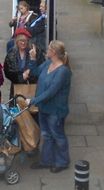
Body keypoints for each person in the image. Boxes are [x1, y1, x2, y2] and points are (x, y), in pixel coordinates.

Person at [24, 41, 72, 173]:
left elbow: (51, 92)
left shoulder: (62, 72)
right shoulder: (48, 64)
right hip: (44, 108)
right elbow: (35, 73)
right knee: (47, 135)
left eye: (49, 49)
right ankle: (47, 160)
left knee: (58, 135)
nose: (47, 50)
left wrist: (33, 101)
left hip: (55, 111)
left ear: (54, 52)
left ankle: (62, 162)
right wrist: (32, 59)